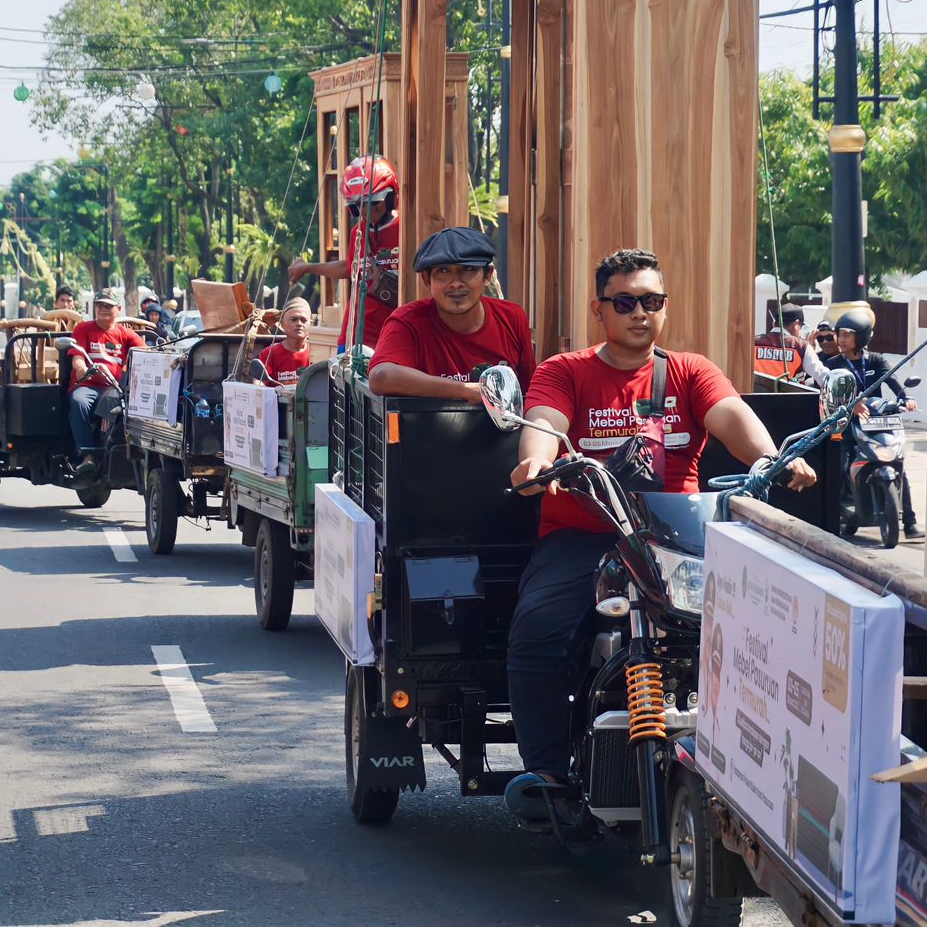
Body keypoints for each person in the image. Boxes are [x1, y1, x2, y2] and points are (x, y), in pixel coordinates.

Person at [502, 249, 816, 819]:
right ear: (600, 310)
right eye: (625, 302)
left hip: (677, 541)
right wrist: (534, 462)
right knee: (536, 630)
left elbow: (731, 415)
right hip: (585, 536)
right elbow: (546, 423)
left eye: (652, 302)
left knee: (761, 636)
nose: (640, 313)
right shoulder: (565, 370)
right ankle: (546, 772)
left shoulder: (691, 371)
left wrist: (774, 459)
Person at [367, 226, 535, 402]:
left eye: (468, 269)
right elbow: (381, 377)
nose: (455, 283)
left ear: (488, 275)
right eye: (443, 271)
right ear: (426, 279)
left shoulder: (512, 317)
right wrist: (466, 391)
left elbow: (529, 389)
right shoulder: (407, 321)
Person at [822, 311, 924, 540]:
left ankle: (909, 522)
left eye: (848, 334)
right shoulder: (834, 363)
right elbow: (831, 391)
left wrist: (905, 398)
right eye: (840, 334)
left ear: (863, 337)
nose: (842, 339)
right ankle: (838, 513)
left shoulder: (876, 360)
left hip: (877, 422)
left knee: (897, 462)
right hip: (848, 424)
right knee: (840, 465)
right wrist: (851, 404)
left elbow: (891, 379)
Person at [287, 154, 401, 348]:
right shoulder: (359, 232)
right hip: (357, 335)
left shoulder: (405, 230)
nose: (363, 212)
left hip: (397, 333)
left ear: (390, 199)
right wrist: (307, 267)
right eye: (357, 207)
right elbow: (349, 268)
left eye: (372, 204)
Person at [66, 290, 146, 479]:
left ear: (118, 309)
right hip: (86, 386)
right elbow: (77, 357)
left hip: (113, 388)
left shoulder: (125, 334)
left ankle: (125, 453)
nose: (103, 309)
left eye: (108, 306)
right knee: (79, 402)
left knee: (122, 403)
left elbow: (145, 353)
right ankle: (88, 456)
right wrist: (81, 368)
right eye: (99, 305)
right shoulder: (83, 328)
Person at [752, 302, 829, 388]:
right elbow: (822, 376)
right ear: (796, 324)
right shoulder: (801, 346)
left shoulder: (753, 343)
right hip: (789, 400)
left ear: (774, 324)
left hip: (753, 399)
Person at [258, 298, 313, 386]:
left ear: (311, 324)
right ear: (282, 324)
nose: (299, 324)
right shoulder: (269, 353)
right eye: (293, 319)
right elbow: (259, 383)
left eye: (303, 320)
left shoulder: (317, 353)